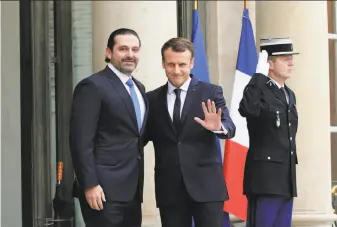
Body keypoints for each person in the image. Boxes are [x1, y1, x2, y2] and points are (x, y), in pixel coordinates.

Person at [145, 37, 236, 227]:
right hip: (169, 188)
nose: (176, 70)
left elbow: (230, 128)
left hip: (207, 187)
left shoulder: (211, 92)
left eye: (182, 64)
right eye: (171, 64)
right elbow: (140, 137)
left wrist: (218, 128)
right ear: (163, 64)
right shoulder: (151, 99)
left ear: (192, 63)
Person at [69, 28, 148, 227]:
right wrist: (90, 183)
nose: (130, 54)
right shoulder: (92, 86)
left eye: (135, 49)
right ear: (108, 52)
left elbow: (136, 136)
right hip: (102, 191)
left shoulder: (139, 88)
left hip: (132, 191)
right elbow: (81, 141)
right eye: (123, 49)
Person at [238, 37, 299, 227]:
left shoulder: (288, 94)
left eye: (291, 57)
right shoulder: (259, 90)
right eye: (284, 58)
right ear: (268, 63)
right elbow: (247, 109)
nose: (290, 62)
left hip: (285, 180)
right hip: (264, 180)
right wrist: (258, 77)